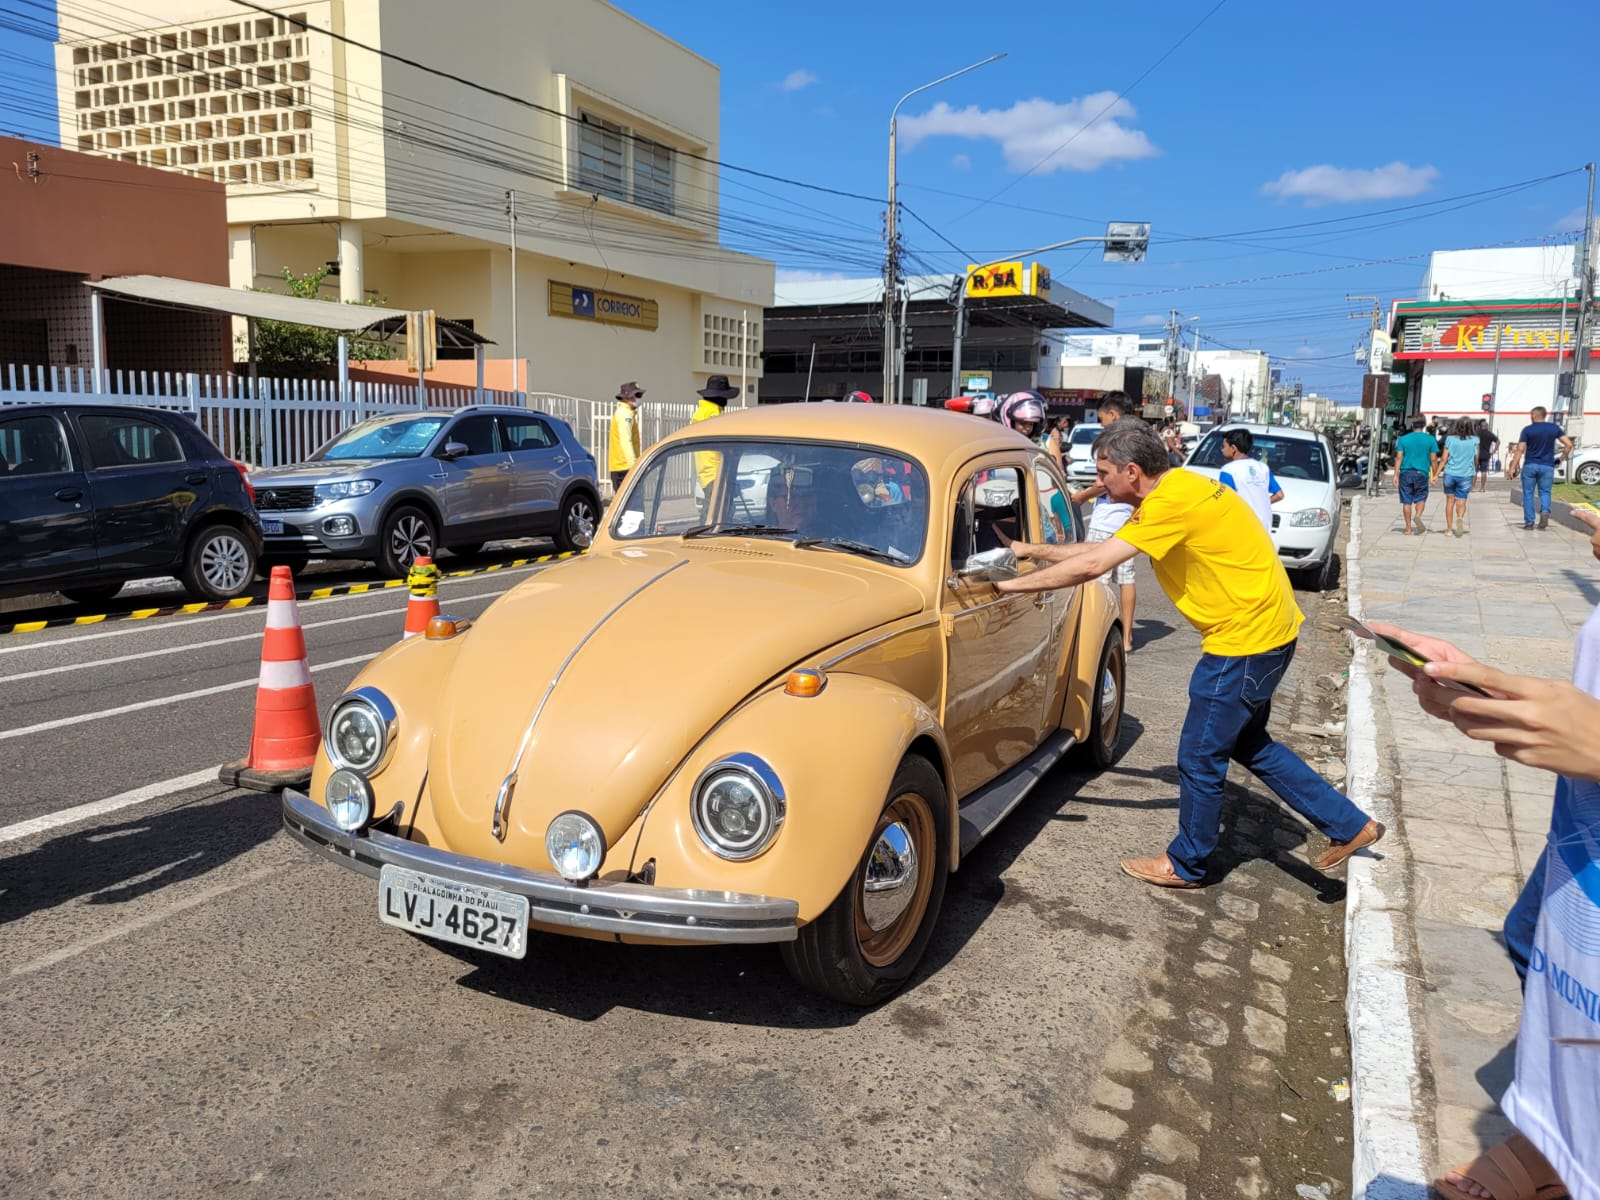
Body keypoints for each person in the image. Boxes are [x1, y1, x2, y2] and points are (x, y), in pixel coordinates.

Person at [998, 418, 1383, 888]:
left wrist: (1007, 587)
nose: (1097, 484)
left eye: (1103, 474)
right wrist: (1027, 550)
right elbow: (1101, 550)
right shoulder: (1181, 485)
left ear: (1132, 472)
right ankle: (1350, 824)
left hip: (1242, 643)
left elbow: (1095, 566)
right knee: (1248, 743)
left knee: (1200, 757)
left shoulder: (1168, 504)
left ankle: (1188, 863)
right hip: (1271, 631)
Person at [1372, 506, 1600, 1200]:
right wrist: (1486, 692)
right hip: (1579, 866)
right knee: (1528, 939)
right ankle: (1562, 1141)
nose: (1593, 519)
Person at [1506, 406, 1575, 530]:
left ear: (1533, 415)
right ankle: (1544, 511)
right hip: (1547, 466)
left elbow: (1520, 449)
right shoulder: (1554, 428)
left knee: (1528, 493)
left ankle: (1529, 522)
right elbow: (1569, 444)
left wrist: (1512, 467)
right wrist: (1562, 458)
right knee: (1545, 492)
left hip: (1530, 465)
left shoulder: (1527, 430)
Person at [1069, 392, 1132, 508]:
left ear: (1113, 415)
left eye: (1101, 419)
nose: (1101, 424)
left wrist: (1083, 496)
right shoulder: (1140, 439)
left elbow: (1107, 481)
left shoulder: (1116, 441)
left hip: (1111, 515)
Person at [1218, 428, 1284, 531]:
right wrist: (1260, 503)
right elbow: (1279, 495)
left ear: (1233, 448)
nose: (1222, 449)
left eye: (1223, 446)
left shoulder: (1228, 470)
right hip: (1264, 527)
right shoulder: (1263, 468)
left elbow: (1225, 502)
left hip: (1243, 526)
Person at [691, 373, 739, 502]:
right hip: (716, 475)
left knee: (709, 515)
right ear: (721, 397)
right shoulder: (715, 416)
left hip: (705, 475)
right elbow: (723, 449)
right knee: (715, 517)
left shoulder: (700, 414)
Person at [1394, 415, 1441, 536]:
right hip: (1422, 473)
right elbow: (1434, 459)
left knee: (1406, 501)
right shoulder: (1430, 439)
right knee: (1421, 497)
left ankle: (1408, 529)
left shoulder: (1403, 439)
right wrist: (1435, 475)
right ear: (1424, 425)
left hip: (1405, 473)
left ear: (1412, 425)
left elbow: (1399, 457)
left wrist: (1395, 474)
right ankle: (1418, 516)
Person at [1437, 416, 1480, 538]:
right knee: (1462, 501)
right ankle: (1460, 518)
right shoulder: (1475, 440)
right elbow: (1476, 458)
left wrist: (1436, 474)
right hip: (1466, 474)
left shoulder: (1450, 439)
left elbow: (1444, 459)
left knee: (1449, 501)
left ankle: (1449, 529)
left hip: (1450, 473)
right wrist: (1475, 469)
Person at [607, 381, 645, 496]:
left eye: (640, 395)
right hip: (624, 468)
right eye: (637, 395)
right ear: (628, 397)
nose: (639, 398)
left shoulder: (625, 413)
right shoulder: (625, 414)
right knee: (633, 508)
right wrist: (634, 467)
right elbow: (626, 442)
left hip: (622, 467)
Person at [1475, 419, 1500, 493]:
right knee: (1484, 472)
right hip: (1486, 455)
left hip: (1476, 455)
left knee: (1474, 471)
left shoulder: (1476, 433)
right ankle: (1482, 488)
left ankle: (1472, 487)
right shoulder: (1489, 434)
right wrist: (1494, 450)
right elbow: (1498, 441)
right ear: (1487, 426)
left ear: (1480, 426)